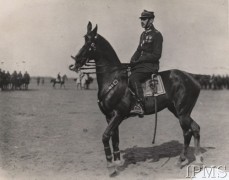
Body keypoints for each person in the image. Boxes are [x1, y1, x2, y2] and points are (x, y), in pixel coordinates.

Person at [129, 10, 163, 117]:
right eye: (141, 19)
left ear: (151, 20)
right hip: (141, 65)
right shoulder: (143, 34)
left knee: (133, 78)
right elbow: (139, 50)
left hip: (150, 66)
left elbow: (157, 55)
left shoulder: (157, 35)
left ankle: (140, 105)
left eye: (144, 19)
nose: (142, 21)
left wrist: (141, 59)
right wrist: (132, 60)